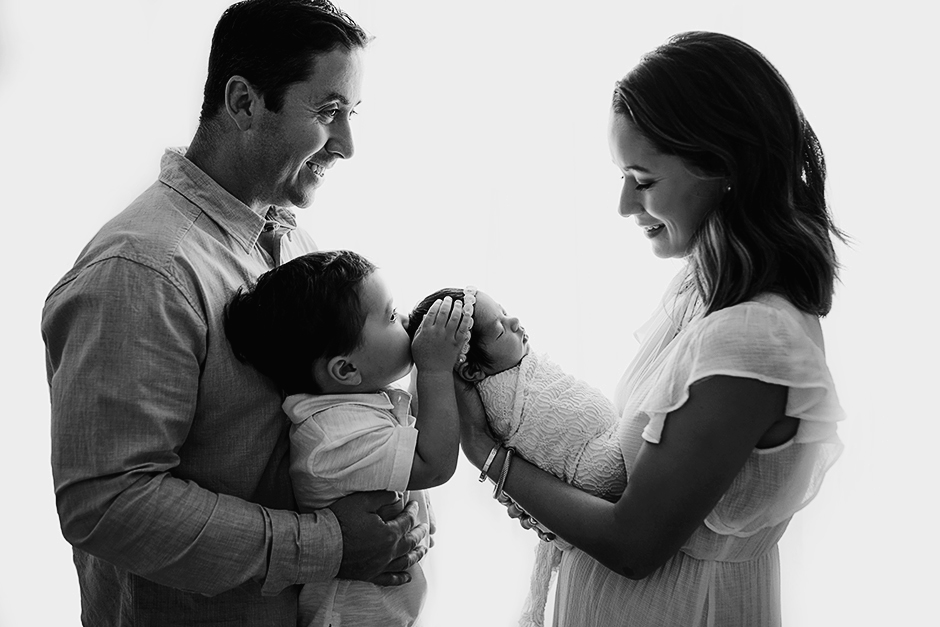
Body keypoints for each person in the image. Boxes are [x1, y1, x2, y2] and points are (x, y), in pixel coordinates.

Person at [40, 2, 428, 625]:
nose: (349, 146)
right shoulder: (142, 271)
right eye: (329, 113)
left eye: (351, 115)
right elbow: (106, 504)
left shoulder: (291, 244)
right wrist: (328, 544)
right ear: (244, 102)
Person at [457, 31, 847, 626]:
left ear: (726, 170)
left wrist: (487, 453)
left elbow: (634, 544)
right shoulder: (701, 294)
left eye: (643, 181)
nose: (622, 205)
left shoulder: (752, 341)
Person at [223, 250, 470, 626]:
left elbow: (413, 435)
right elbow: (432, 463)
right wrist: (434, 368)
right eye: (390, 316)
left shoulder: (354, 405)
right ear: (346, 369)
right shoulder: (333, 435)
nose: (404, 319)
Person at [409, 287, 626, 627]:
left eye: (506, 313)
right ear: (470, 372)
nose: (514, 322)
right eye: (498, 329)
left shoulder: (519, 374)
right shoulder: (504, 401)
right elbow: (562, 431)